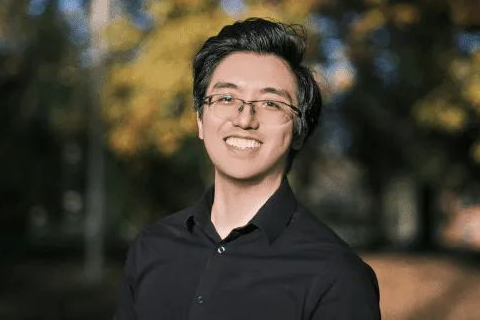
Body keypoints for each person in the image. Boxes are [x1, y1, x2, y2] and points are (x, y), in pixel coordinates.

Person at [113, 18, 381, 319]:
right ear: (201, 120)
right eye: (227, 98)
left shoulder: (337, 276)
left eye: (270, 104)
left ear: (299, 131)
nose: (244, 119)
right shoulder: (152, 247)